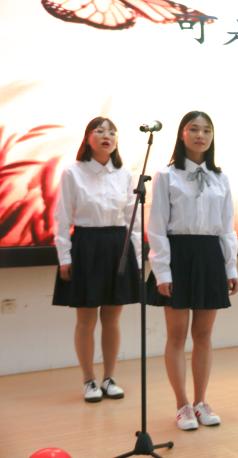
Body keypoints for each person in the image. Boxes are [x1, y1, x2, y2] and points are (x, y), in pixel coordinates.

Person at [147, 111, 238, 430]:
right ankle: (182, 405)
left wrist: (230, 266)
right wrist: (162, 272)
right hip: (178, 255)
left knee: (203, 335)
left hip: (210, 255)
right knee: (176, 335)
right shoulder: (166, 175)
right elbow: (157, 226)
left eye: (207, 130)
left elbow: (227, 227)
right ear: (182, 134)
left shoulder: (220, 178)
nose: (201, 135)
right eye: (194, 129)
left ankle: (201, 401)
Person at [52, 116, 140, 402]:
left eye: (112, 132)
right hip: (86, 245)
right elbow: (62, 218)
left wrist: (136, 260)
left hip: (117, 245)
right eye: (100, 131)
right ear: (88, 138)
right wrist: (64, 257)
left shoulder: (124, 174)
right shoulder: (73, 172)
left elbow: (133, 221)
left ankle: (109, 378)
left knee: (112, 318)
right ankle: (88, 380)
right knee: (86, 318)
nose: (107, 136)